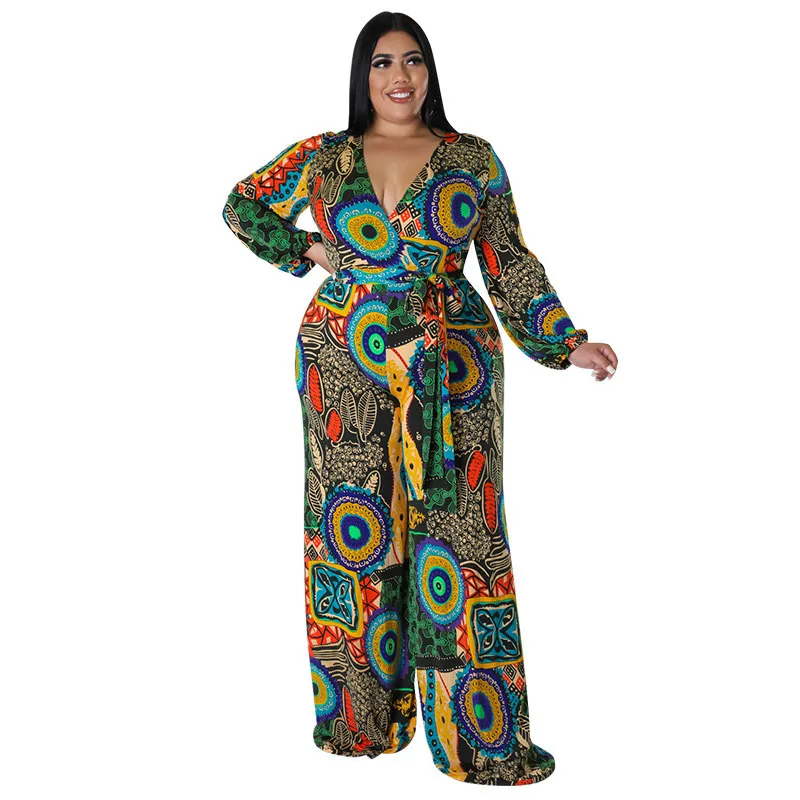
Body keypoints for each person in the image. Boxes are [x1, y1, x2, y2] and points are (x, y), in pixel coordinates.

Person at [222, 11, 618, 787]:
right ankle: (361, 723)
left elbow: (508, 259)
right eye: (382, 63)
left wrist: (564, 341)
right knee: (353, 535)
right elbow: (242, 205)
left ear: (429, 72)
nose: (399, 77)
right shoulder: (325, 156)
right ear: (361, 75)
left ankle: (483, 739)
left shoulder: (471, 157)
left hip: (453, 361)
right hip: (345, 361)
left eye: (412, 61)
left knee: (461, 538)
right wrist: (304, 248)